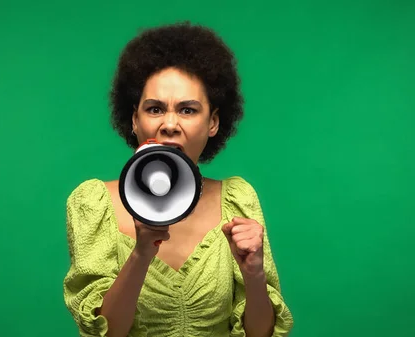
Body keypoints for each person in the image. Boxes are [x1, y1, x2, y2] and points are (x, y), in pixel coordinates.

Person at [63, 21, 294, 337]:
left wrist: (254, 275)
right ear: (134, 119)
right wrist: (142, 251)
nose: (170, 124)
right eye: (155, 109)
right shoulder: (94, 202)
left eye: (188, 110)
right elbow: (105, 332)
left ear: (212, 122)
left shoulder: (237, 198)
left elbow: (260, 334)